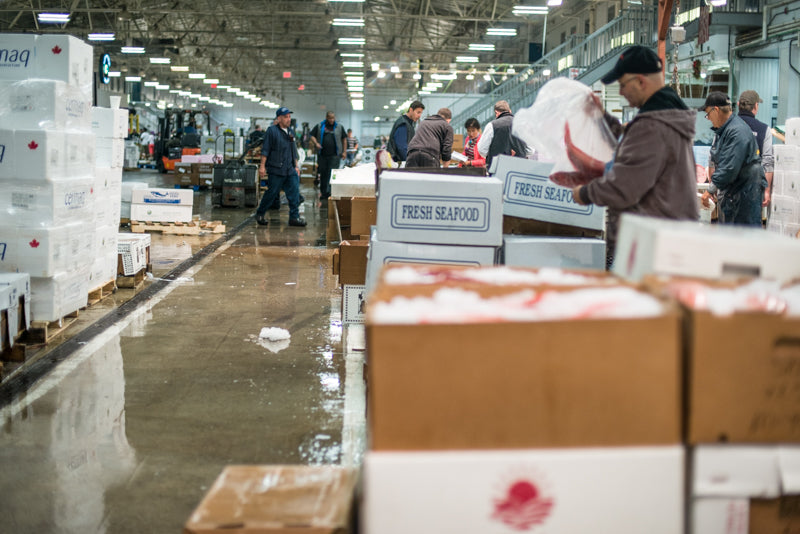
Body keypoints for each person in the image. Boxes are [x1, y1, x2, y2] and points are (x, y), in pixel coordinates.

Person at [570, 45, 698, 267]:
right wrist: (602, 118)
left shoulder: (653, 126)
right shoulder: (665, 117)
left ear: (640, 81)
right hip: (666, 243)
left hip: (650, 250)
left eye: (622, 85)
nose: (620, 93)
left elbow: (623, 188)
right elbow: (630, 146)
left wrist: (584, 193)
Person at [700, 92, 766, 226]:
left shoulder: (737, 131)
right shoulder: (726, 130)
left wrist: (710, 190)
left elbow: (729, 167)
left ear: (716, 110)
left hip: (745, 193)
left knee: (743, 238)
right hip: (736, 192)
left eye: (708, 114)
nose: (708, 118)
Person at [254, 107, 306, 227]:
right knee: (272, 193)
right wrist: (262, 166)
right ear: (279, 118)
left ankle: (294, 217)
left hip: (290, 169)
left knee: (294, 193)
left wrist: (296, 166)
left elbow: (293, 150)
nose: (288, 119)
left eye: (289, 117)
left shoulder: (291, 132)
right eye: (286, 117)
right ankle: (260, 213)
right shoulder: (272, 131)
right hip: (276, 169)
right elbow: (265, 149)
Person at [737, 90, 774, 208]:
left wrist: (714, 186)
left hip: (728, 189)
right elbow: (767, 161)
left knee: (727, 226)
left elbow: (714, 157)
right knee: (750, 226)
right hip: (753, 189)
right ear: (756, 106)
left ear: (738, 105)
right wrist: (766, 191)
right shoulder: (764, 129)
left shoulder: (726, 126)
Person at [477, 100, 528, 169]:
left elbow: (482, 149)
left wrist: (492, 154)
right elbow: (531, 150)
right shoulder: (522, 125)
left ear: (496, 113)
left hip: (497, 168)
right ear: (510, 111)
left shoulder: (492, 125)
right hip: (519, 169)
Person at [310, 111, 347, 200]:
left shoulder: (339, 127)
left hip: (335, 156)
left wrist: (344, 152)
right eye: (330, 118)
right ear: (326, 117)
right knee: (323, 174)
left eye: (333, 118)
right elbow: (311, 135)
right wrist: (316, 143)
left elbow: (344, 139)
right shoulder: (320, 126)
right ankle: (324, 193)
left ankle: (331, 192)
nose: (331, 120)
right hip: (322, 155)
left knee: (333, 174)